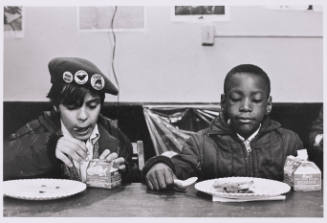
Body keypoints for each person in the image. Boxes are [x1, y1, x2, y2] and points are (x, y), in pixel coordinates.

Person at [143, 64, 303, 190]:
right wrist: (161, 164)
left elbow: (304, 183)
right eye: (235, 98)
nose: (245, 107)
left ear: (268, 105)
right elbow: (180, 167)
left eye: (256, 100)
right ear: (223, 103)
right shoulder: (201, 143)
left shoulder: (288, 142)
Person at [4, 57, 133, 183]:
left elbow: (134, 174)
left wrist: (122, 172)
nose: (83, 116)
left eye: (92, 106)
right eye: (72, 107)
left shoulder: (114, 135)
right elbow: (6, 157)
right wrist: (49, 148)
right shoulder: (36, 130)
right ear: (56, 106)